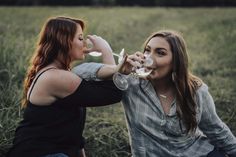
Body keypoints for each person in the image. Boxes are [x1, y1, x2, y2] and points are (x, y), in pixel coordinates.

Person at [73, 30, 236, 157]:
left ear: (175, 62)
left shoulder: (196, 91)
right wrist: (117, 69)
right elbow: (79, 71)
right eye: (147, 51)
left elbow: (216, 130)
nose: (148, 58)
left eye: (160, 53)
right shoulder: (131, 84)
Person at [7, 16, 123, 157]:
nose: (84, 44)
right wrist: (106, 50)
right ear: (64, 41)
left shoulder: (55, 72)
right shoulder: (56, 77)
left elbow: (71, 129)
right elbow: (112, 93)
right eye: (80, 38)